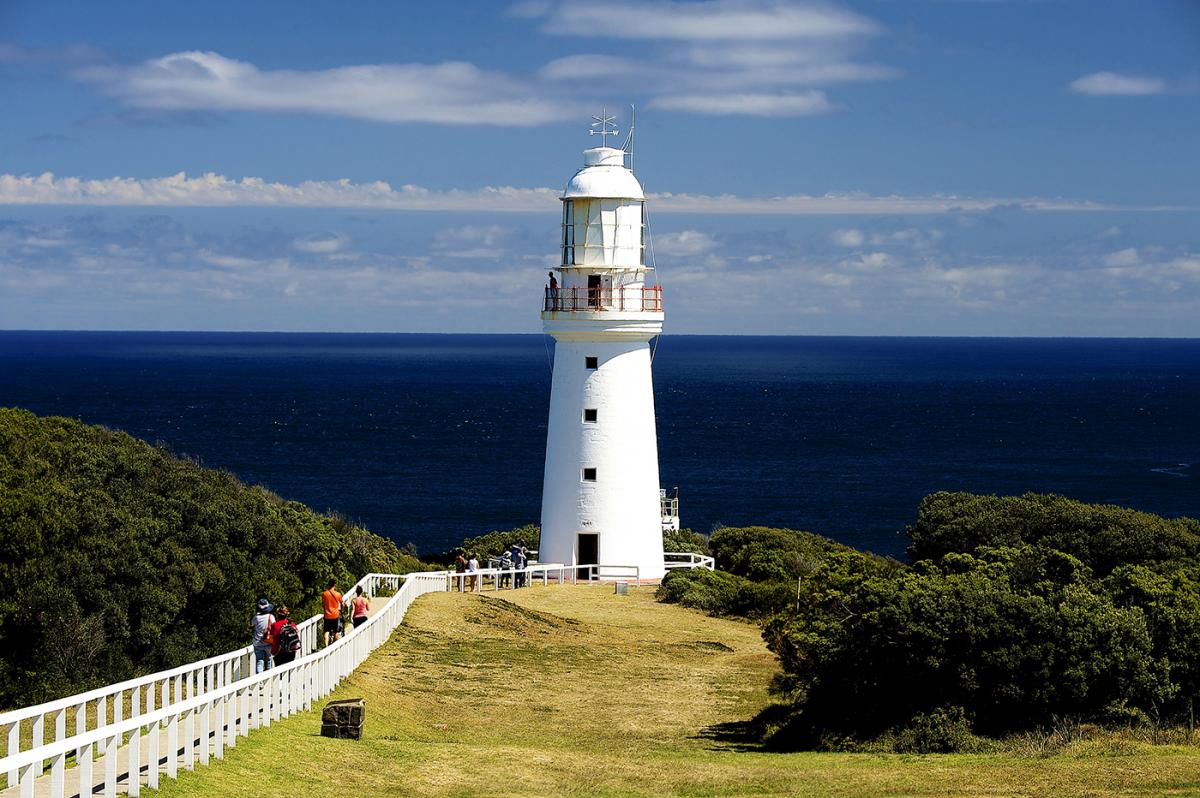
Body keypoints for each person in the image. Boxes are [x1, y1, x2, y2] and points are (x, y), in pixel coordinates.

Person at [250, 597, 275, 673]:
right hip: (268, 641)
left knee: (259, 661)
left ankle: (259, 682)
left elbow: (251, 624)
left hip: (257, 642)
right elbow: (274, 627)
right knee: (268, 660)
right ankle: (268, 678)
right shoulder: (271, 617)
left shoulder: (256, 617)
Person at [321, 579, 344, 646]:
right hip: (335, 615)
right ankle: (334, 646)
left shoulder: (324, 594)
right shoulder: (338, 594)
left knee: (326, 631)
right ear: (334, 585)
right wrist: (342, 610)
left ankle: (326, 646)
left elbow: (323, 603)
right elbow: (342, 604)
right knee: (336, 632)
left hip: (327, 615)